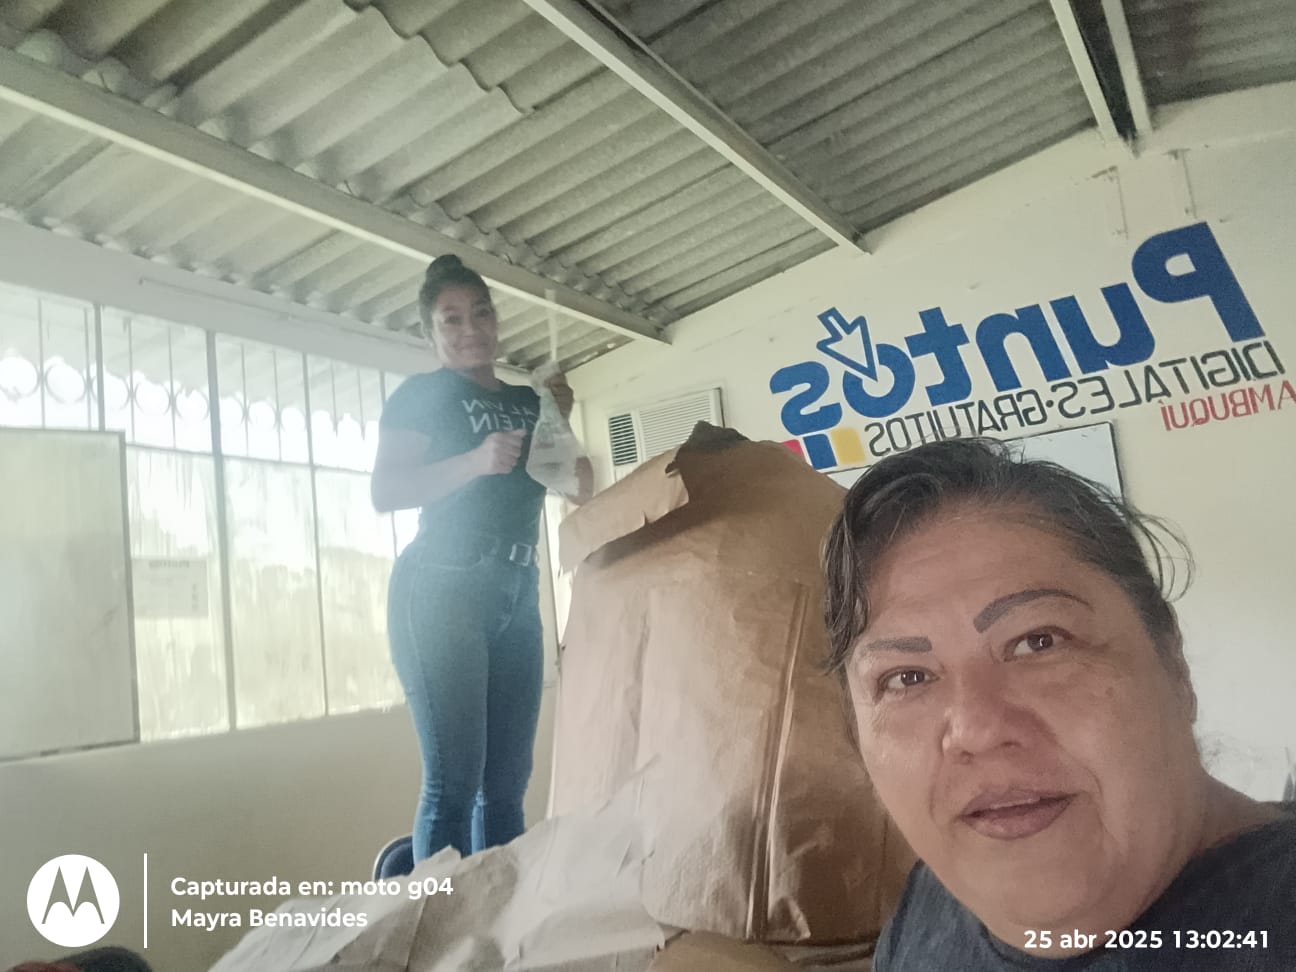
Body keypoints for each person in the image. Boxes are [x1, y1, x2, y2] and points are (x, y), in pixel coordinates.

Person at [821, 438, 1295, 970]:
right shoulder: (925, 910)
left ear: (1172, 661)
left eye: (1038, 642)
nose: (977, 728)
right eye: (907, 678)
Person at [371, 255, 591, 862]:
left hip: (518, 588)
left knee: (506, 787)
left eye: (481, 313)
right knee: (453, 783)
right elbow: (386, 492)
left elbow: (578, 485)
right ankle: (436, 915)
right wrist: (474, 461)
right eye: (452, 319)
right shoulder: (422, 395)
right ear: (430, 333)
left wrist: (558, 418)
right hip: (441, 585)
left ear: (496, 320)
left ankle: (498, 914)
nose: (470, 328)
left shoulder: (528, 400)